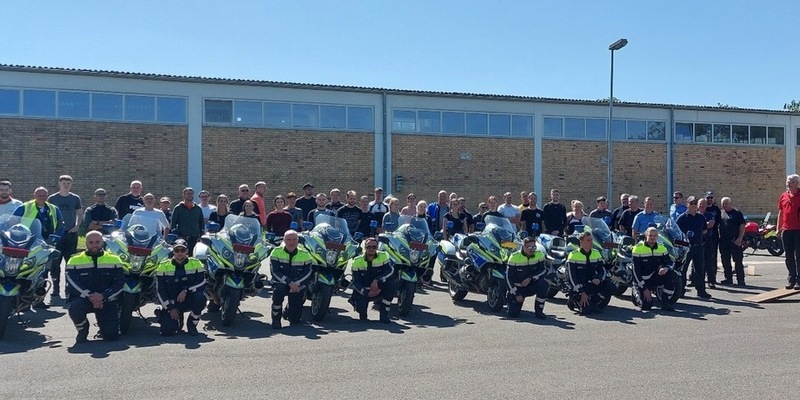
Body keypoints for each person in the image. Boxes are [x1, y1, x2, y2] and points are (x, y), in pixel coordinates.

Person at [66, 231, 125, 343]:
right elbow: (73, 283)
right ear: (86, 243)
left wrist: (103, 296)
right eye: (91, 242)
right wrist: (91, 296)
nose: (94, 245)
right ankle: (83, 330)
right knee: (75, 308)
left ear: (102, 242)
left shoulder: (115, 259)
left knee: (111, 336)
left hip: (106, 300)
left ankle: (104, 326)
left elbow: (120, 284)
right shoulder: (74, 260)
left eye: (97, 242)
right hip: (84, 299)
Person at [14, 187, 64, 305]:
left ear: (47, 196)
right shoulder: (24, 207)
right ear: (34, 195)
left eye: (44, 195)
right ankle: (22, 299)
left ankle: (39, 298)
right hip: (27, 244)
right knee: (25, 270)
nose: (42, 196)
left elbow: (61, 225)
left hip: (46, 244)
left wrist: (56, 236)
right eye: (39, 194)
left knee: (43, 271)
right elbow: (12, 221)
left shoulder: (53, 208)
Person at [154, 239, 206, 336]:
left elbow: (202, 282)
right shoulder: (163, 266)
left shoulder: (196, 263)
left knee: (200, 297)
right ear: (173, 251)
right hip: (172, 302)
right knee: (167, 332)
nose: (180, 253)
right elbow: (160, 290)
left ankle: (192, 324)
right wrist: (170, 308)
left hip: (189, 299)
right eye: (176, 250)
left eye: (183, 250)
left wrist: (186, 290)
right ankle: (177, 320)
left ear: (187, 251)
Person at [269, 230, 312, 328]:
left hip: (297, 283)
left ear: (298, 240)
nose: (291, 242)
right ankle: (276, 320)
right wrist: (289, 282)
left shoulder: (305, 254)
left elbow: (308, 272)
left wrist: (296, 283)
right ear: (284, 240)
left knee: (295, 321)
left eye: (294, 239)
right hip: (281, 282)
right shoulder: (276, 252)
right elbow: (275, 272)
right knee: (278, 292)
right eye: (288, 239)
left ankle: (289, 311)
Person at [565, 231, 613, 315]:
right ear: (581, 242)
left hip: (591, 283)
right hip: (579, 286)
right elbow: (571, 277)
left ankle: (593, 303)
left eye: (591, 240)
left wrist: (599, 278)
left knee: (611, 286)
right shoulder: (573, 255)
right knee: (586, 312)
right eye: (588, 240)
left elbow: (602, 270)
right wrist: (581, 292)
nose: (591, 242)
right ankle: (573, 300)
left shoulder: (596, 253)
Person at [48, 176, 83, 288]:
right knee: (55, 262)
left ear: (71, 184)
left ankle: (69, 288)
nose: (66, 185)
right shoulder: (52, 198)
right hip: (57, 235)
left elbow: (80, 213)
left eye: (68, 183)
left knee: (70, 262)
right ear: (59, 184)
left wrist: (77, 226)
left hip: (71, 234)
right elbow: (48, 215)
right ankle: (55, 288)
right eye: (64, 183)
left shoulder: (75, 198)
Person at [350, 237, 395, 323]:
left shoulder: (383, 255)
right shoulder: (357, 261)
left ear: (377, 247)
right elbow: (356, 281)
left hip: (379, 286)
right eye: (368, 247)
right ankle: (362, 313)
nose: (371, 249)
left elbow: (390, 271)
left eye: (374, 247)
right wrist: (365, 292)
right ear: (365, 248)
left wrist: (378, 280)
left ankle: (384, 315)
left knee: (391, 285)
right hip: (364, 289)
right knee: (361, 312)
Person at [631, 227, 676, 311]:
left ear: (657, 236)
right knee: (646, 306)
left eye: (655, 235)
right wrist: (644, 289)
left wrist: (666, 268)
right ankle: (636, 292)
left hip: (654, 278)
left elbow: (670, 262)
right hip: (641, 280)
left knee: (672, 275)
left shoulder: (662, 247)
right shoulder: (638, 248)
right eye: (650, 235)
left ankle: (665, 302)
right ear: (646, 235)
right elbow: (635, 271)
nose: (652, 238)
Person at [676, 196, 712, 299]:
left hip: (699, 247)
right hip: (686, 248)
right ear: (687, 204)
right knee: (683, 269)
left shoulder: (701, 217)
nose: (693, 205)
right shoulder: (682, 217)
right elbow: (676, 232)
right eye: (691, 203)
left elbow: (705, 230)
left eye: (695, 203)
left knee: (700, 269)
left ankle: (701, 291)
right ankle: (681, 290)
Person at [506, 236, 548, 319]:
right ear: (523, 247)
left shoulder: (539, 254)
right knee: (513, 314)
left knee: (544, 284)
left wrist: (530, 278)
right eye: (529, 247)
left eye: (534, 247)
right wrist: (516, 294)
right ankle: (511, 298)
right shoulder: (514, 257)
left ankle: (539, 311)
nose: (532, 249)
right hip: (518, 288)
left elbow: (543, 270)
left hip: (531, 285)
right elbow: (508, 277)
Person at [777, 174, 800, 289]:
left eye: (791, 181)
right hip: (786, 230)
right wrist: (778, 228)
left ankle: (799, 281)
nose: (788, 183)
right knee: (789, 256)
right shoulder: (783, 196)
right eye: (787, 181)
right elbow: (781, 213)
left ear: (797, 183)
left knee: (798, 256)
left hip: (798, 230)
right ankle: (791, 279)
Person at [717, 197, 746, 286]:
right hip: (723, 241)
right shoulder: (721, 213)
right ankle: (728, 278)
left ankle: (740, 280)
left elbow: (742, 226)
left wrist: (739, 239)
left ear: (730, 203)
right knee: (725, 261)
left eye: (726, 203)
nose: (724, 205)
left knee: (738, 261)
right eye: (722, 203)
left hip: (735, 240)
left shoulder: (737, 213)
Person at [170, 188, 204, 255]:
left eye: (191, 194)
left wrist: (201, 235)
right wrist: (178, 237)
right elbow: (173, 224)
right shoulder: (178, 208)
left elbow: (201, 223)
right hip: (182, 240)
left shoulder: (198, 209)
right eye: (188, 194)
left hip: (195, 239)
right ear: (183, 195)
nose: (190, 195)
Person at [698, 197, 718, 289]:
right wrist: (704, 224)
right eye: (700, 204)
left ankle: (711, 281)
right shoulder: (695, 214)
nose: (702, 205)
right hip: (697, 241)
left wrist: (698, 226)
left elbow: (711, 224)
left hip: (708, 240)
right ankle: (695, 280)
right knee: (696, 262)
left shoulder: (709, 214)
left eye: (703, 204)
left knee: (709, 261)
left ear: (706, 206)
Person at [704, 191, 721, 288]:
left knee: (712, 257)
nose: (709, 199)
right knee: (700, 258)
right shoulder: (702, 208)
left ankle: (712, 278)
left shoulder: (716, 209)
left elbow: (718, 222)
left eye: (711, 198)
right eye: (708, 198)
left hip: (713, 236)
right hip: (703, 237)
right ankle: (696, 278)